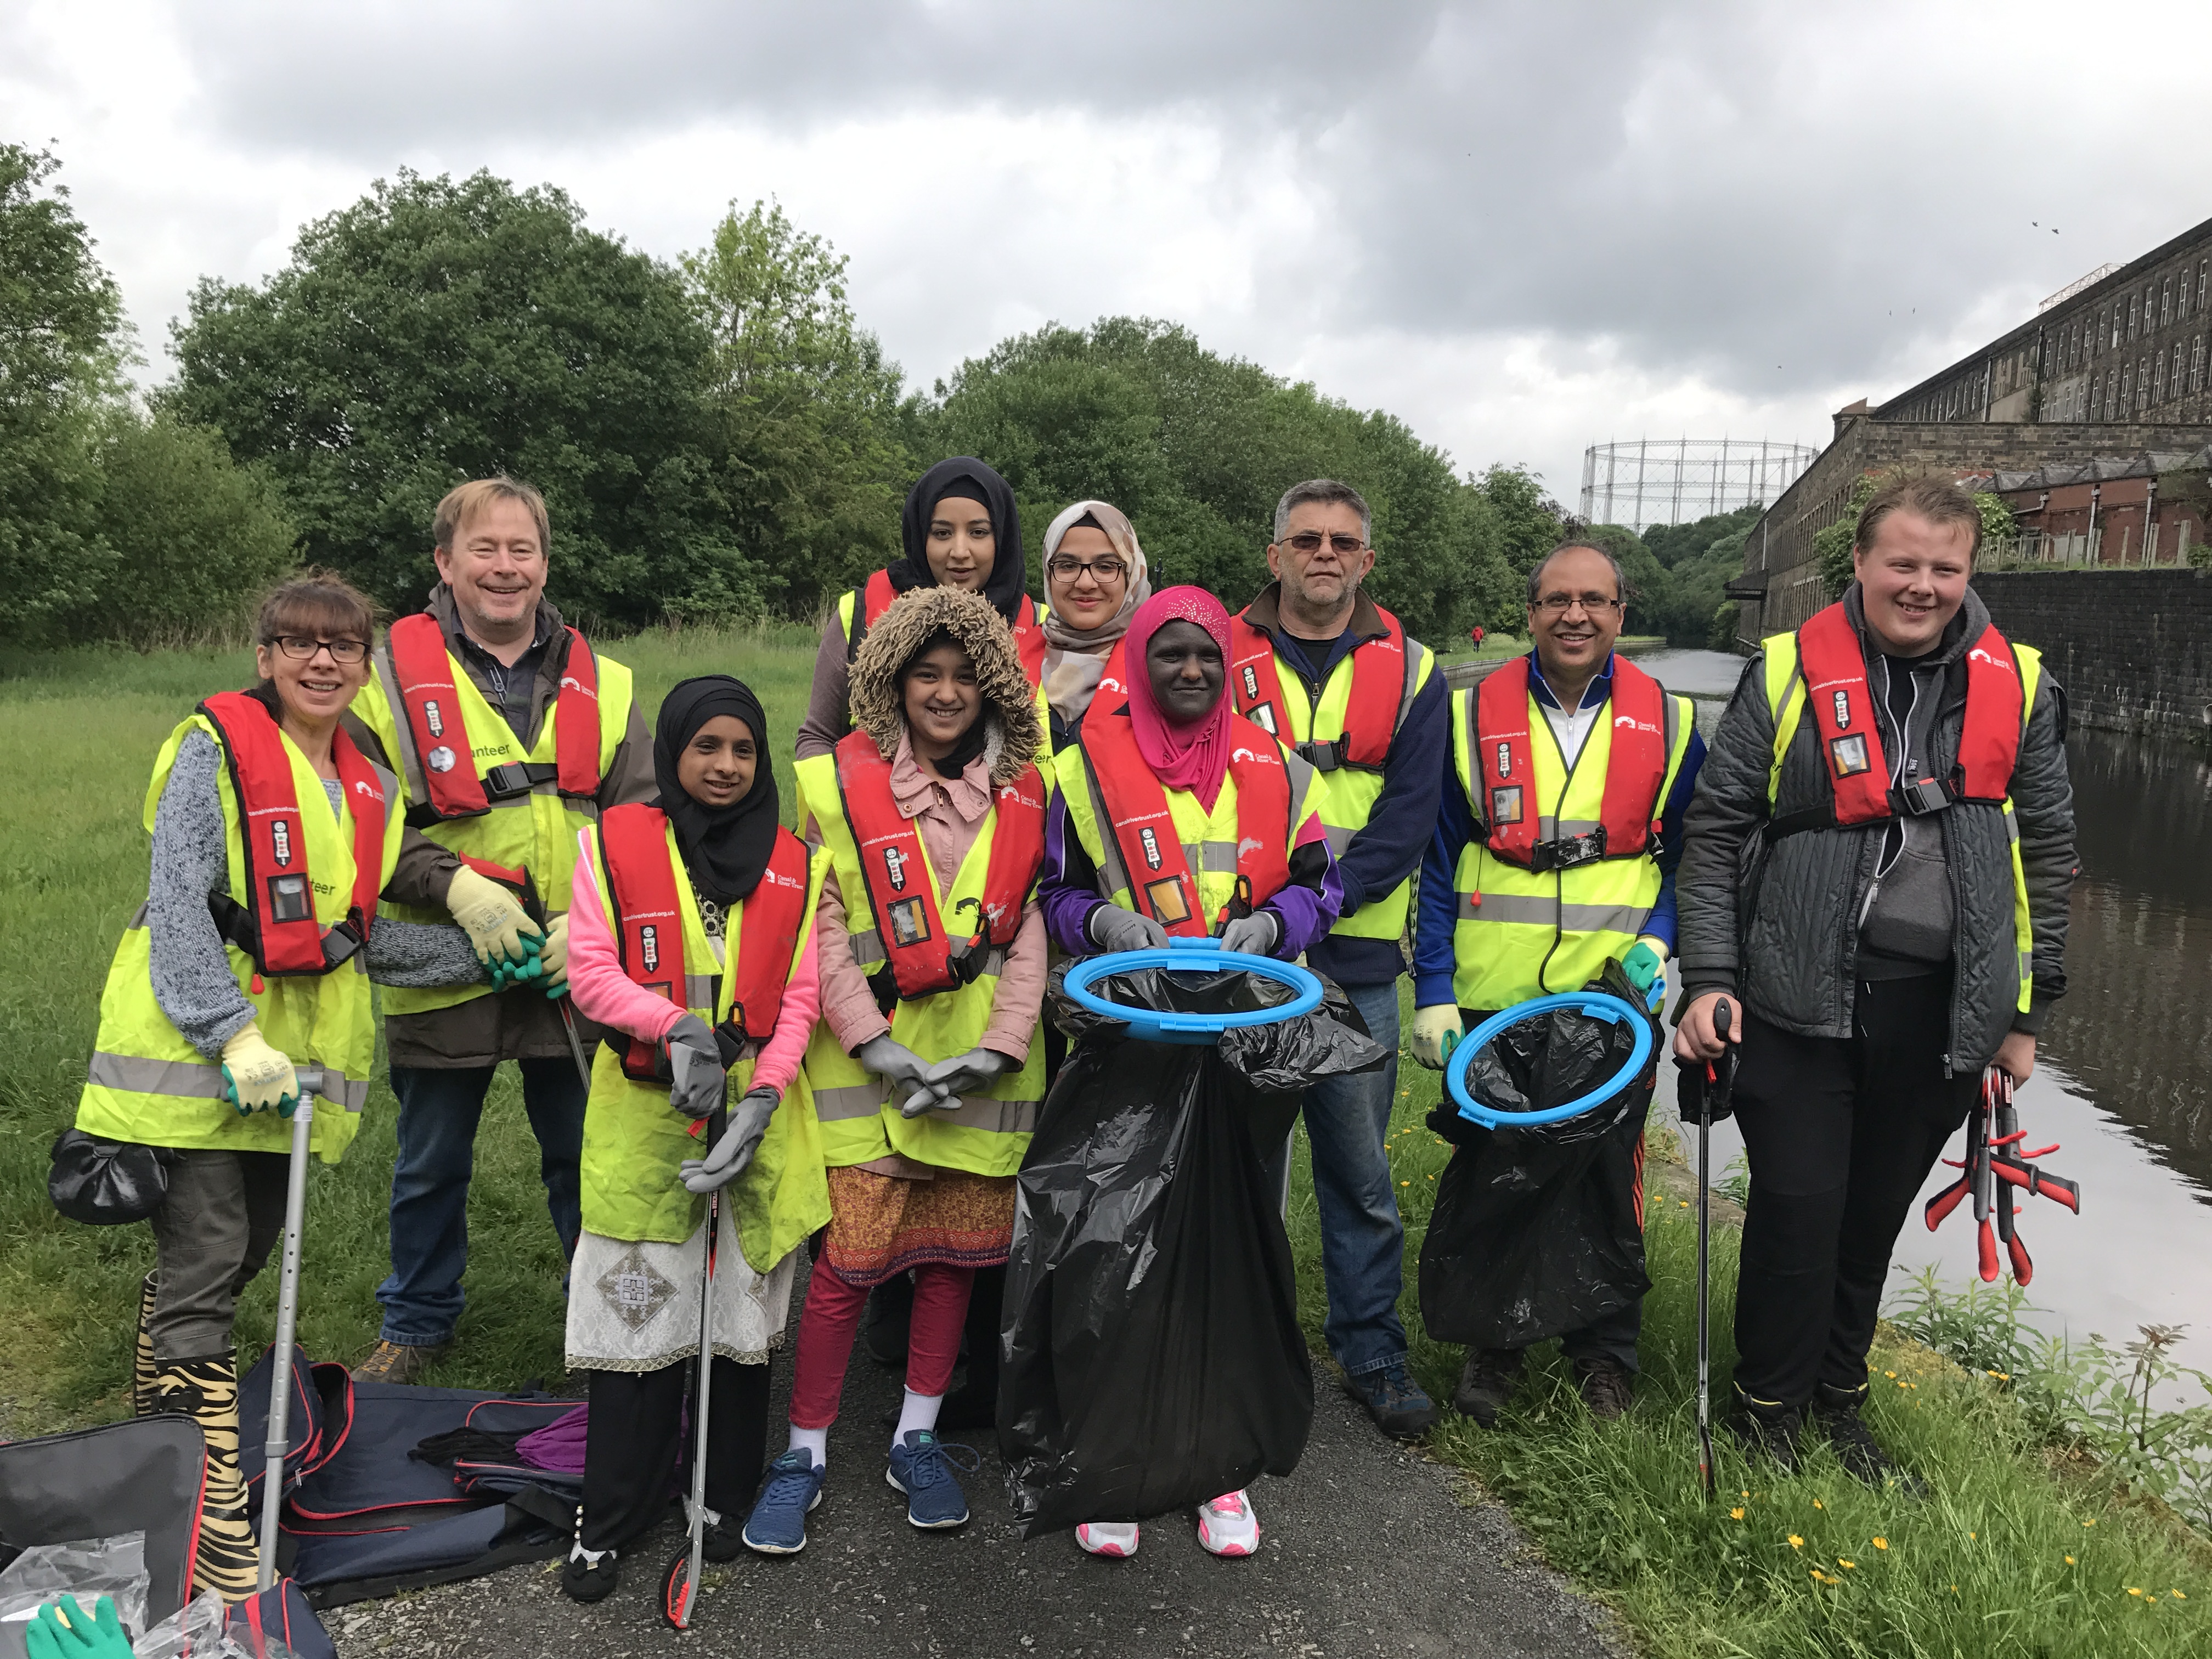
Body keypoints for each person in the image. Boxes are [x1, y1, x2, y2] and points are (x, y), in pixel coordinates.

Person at [70, 572, 483, 1598]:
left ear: (365, 662)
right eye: (297, 642)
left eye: (343, 645)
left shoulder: (364, 776)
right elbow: (179, 903)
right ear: (264, 657)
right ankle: (212, 1527)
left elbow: (358, 937)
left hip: (288, 1075)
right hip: (200, 1058)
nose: (321, 660)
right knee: (209, 1253)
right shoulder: (213, 746)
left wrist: (484, 954)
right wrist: (229, 1033)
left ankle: (155, 1429)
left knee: (240, 1250)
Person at [1673, 476, 2075, 1482]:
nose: (1923, 584)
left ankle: (1836, 1407)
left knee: (1869, 1219)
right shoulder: (1780, 672)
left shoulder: (2017, 681)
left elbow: (2050, 847)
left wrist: (2027, 1008)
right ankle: (1767, 1411)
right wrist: (1708, 974)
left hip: (1940, 1008)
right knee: (1797, 1206)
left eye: (1945, 567)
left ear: (1968, 571)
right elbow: (1716, 833)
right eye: (1903, 562)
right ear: (1857, 563)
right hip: (1794, 997)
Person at [1038, 585, 1342, 1560]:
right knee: (1116, 1246)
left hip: (1246, 1040)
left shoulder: (1285, 769)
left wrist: (1277, 926)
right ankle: (1117, 1463)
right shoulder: (1081, 768)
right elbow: (1053, 893)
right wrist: (1102, 925)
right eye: (1169, 653)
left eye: (1207, 655)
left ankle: (1220, 1472)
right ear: (1137, 659)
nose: (1191, 671)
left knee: (1230, 1251)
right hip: (1131, 1040)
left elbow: (1320, 884)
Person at [744, 587, 1050, 1551]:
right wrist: (871, 1038)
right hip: (865, 1073)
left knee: (950, 1269)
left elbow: (1030, 931)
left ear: (995, 684)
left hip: (980, 1076)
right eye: (927, 673)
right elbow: (819, 924)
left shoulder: (1027, 792)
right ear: (891, 682)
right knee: (843, 1270)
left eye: (966, 675)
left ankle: (916, 1436)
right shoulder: (832, 785)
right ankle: (803, 1450)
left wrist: (995, 1047)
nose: (947, 691)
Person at [344, 477, 654, 1383]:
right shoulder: (383, 681)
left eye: (522, 550)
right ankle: (416, 1319)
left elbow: (642, 817)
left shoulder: (608, 679)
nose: (505, 567)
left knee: (582, 1149)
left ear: (545, 564)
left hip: (572, 961)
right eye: (485, 548)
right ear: (444, 561)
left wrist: (593, 923)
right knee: (431, 1158)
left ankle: (597, 1306)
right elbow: (359, 828)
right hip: (449, 955)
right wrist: (461, 890)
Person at [1410, 538, 1703, 1425]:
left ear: (1620, 613)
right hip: (1492, 996)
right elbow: (1433, 861)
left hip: (1613, 999)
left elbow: (1700, 855)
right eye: (1556, 600)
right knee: (1498, 1173)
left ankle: (1603, 1358)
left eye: (1594, 600)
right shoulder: (1469, 719)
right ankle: (1493, 1346)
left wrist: (1662, 941)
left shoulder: (1674, 720)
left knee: (1606, 1180)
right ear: (1530, 610)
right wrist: (1428, 988)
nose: (1574, 615)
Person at [555, 677, 831, 1601]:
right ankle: (611, 1513)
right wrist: (672, 1023)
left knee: (734, 1326)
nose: (723, 765)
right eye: (705, 746)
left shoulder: (796, 862)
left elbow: (797, 998)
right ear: (673, 751)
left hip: (753, 1115)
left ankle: (720, 1492)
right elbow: (590, 970)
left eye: (742, 750)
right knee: (638, 1325)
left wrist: (765, 1093)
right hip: (645, 1119)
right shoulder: (612, 846)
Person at [1224, 479, 1447, 1440]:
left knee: (1357, 1172)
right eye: (1305, 539)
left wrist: (1310, 909)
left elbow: (1405, 823)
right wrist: (1268, 920)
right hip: (1238, 962)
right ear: (1273, 554)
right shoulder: (1215, 650)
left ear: (1366, 559)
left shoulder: (1417, 670)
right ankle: (1237, 1339)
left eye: (1342, 541)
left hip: (1352, 960)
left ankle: (1371, 1346)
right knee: (1240, 1167)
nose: (1324, 553)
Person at [795, 457, 1048, 761]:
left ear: (1002, 538)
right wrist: (840, 805)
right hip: (875, 806)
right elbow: (818, 736)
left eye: (978, 532)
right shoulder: (860, 611)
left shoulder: (1042, 626)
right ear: (920, 535)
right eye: (942, 533)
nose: (959, 552)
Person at [1039, 498, 1152, 751]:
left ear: (1131, 574)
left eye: (1105, 567)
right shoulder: (1009, 660)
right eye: (1068, 566)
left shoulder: (1163, 663)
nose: (1086, 583)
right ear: (1048, 573)